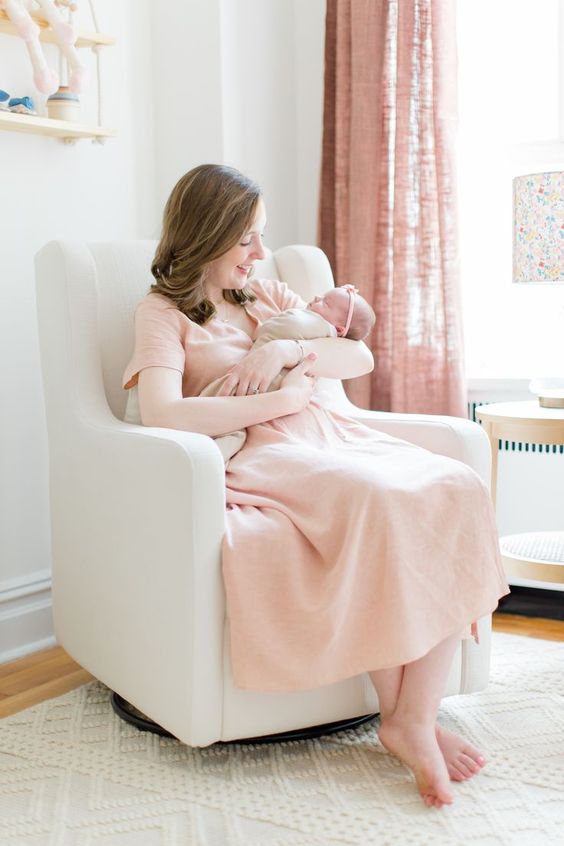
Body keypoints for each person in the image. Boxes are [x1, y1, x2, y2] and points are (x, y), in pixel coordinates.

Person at [122, 163, 509, 809]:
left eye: (260, 237)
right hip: (260, 450)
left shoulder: (268, 297)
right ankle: (410, 722)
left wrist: (284, 355)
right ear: (207, 232)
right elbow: (164, 412)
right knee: (377, 499)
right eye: (246, 238)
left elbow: (356, 355)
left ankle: (411, 716)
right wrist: (272, 402)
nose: (260, 253)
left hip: (328, 430)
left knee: (454, 484)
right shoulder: (162, 314)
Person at [200, 284, 376, 463]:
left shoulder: (284, 301)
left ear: (338, 330)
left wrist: (285, 350)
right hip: (259, 410)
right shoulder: (317, 324)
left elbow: (364, 359)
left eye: (326, 303)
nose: (316, 298)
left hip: (290, 415)